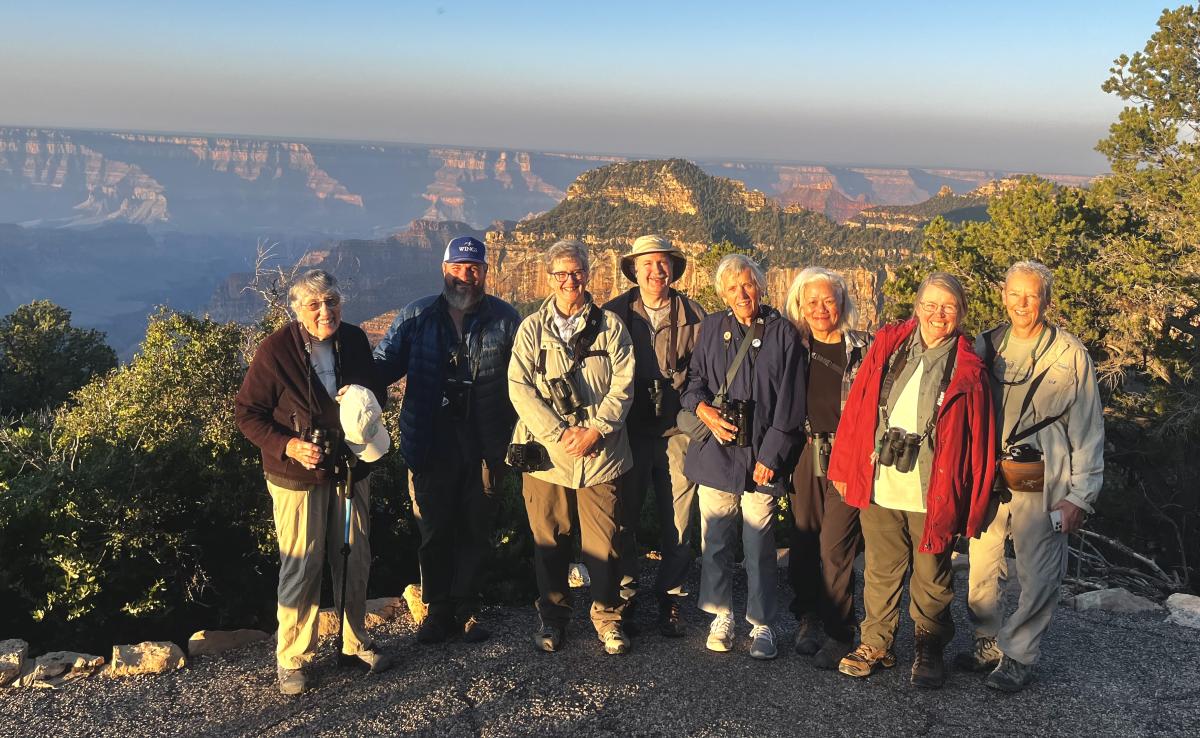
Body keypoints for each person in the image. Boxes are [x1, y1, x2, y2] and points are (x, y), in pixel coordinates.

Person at [827, 271, 996, 689]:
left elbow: (981, 443)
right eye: (931, 305)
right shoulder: (891, 346)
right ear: (917, 306)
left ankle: (929, 645)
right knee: (882, 569)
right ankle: (876, 644)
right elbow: (858, 410)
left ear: (961, 313)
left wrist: (973, 503)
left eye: (949, 307)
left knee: (931, 573)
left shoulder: (969, 368)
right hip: (882, 480)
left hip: (933, 488)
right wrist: (847, 469)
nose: (939, 314)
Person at [235, 269, 393, 695]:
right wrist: (288, 445)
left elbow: (380, 392)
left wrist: (362, 406)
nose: (327, 311)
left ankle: (354, 642)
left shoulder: (356, 340)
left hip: (351, 467)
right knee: (303, 563)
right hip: (296, 476)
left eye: (333, 302)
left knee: (354, 556)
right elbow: (248, 413)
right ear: (297, 310)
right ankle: (293, 657)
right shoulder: (276, 351)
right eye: (315, 305)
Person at [957, 260, 1104, 692]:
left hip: (1045, 473)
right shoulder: (986, 346)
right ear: (1003, 296)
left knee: (1039, 572)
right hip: (991, 473)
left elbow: (1089, 428)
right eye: (1015, 294)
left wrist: (1081, 495)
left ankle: (1019, 653)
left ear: (1046, 301)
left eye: (1032, 295)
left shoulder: (1070, 354)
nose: (1023, 304)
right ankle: (987, 640)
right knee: (982, 566)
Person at [373, 236, 520, 645]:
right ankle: (437, 611)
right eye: (458, 267)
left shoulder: (506, 319)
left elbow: (528, 378)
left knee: (476, 527)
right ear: (444, 270)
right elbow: (382, 366)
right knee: (434, 529)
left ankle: (468, 607)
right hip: (430, 441)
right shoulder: (417, 316)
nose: (465, 276)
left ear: (486, 272)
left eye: (474, 268)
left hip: (486, 442)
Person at [507, 239, 636, 655]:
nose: (569, 281)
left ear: (588, 275)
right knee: (550, 540)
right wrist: (558, 432)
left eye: (576, 272)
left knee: (604, 541)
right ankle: (553, 618)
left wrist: (596, 429)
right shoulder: (531, 328)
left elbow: (624, 384)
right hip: (547, 457)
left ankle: (608, 619)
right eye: (560, 274)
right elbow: (519, 388)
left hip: (601, 454)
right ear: (550, 278)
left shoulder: (611, 326)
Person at [681, 254, 806, 660]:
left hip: (762, 456)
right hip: (716, 452)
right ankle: (720, 615)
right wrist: (703, 410)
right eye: (732, 287)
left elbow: (791, 403)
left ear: (761, 286)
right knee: (715, 539)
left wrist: (772, 454)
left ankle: (762, 622)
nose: (741, 293)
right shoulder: (713, 327)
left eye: (748, 284)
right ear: (721, 292)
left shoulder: (783, 334)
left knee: (759, 542)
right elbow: (693, 382)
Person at [602, 235, 705, 637]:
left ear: (673, 269)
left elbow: (706, 373)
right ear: (634, 269)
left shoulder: (694, 315)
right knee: (622, 515)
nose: (655, 271)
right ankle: (626, 594)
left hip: (677, 428)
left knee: (679, 518)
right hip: (628, 429)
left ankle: (671, 597)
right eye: (646, 264)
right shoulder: (614, 314)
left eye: (662, 263)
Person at [782, 267, 871, 668]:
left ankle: (839, 630)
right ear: (799, 305)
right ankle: (808, 618)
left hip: (848, 455)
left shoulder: (863, 347)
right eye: (811, 301)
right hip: (804, 451)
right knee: (803, 539)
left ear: (842, 303)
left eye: (828, 300)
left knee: (836, 544)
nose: (820, 309)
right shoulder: (791, 348)